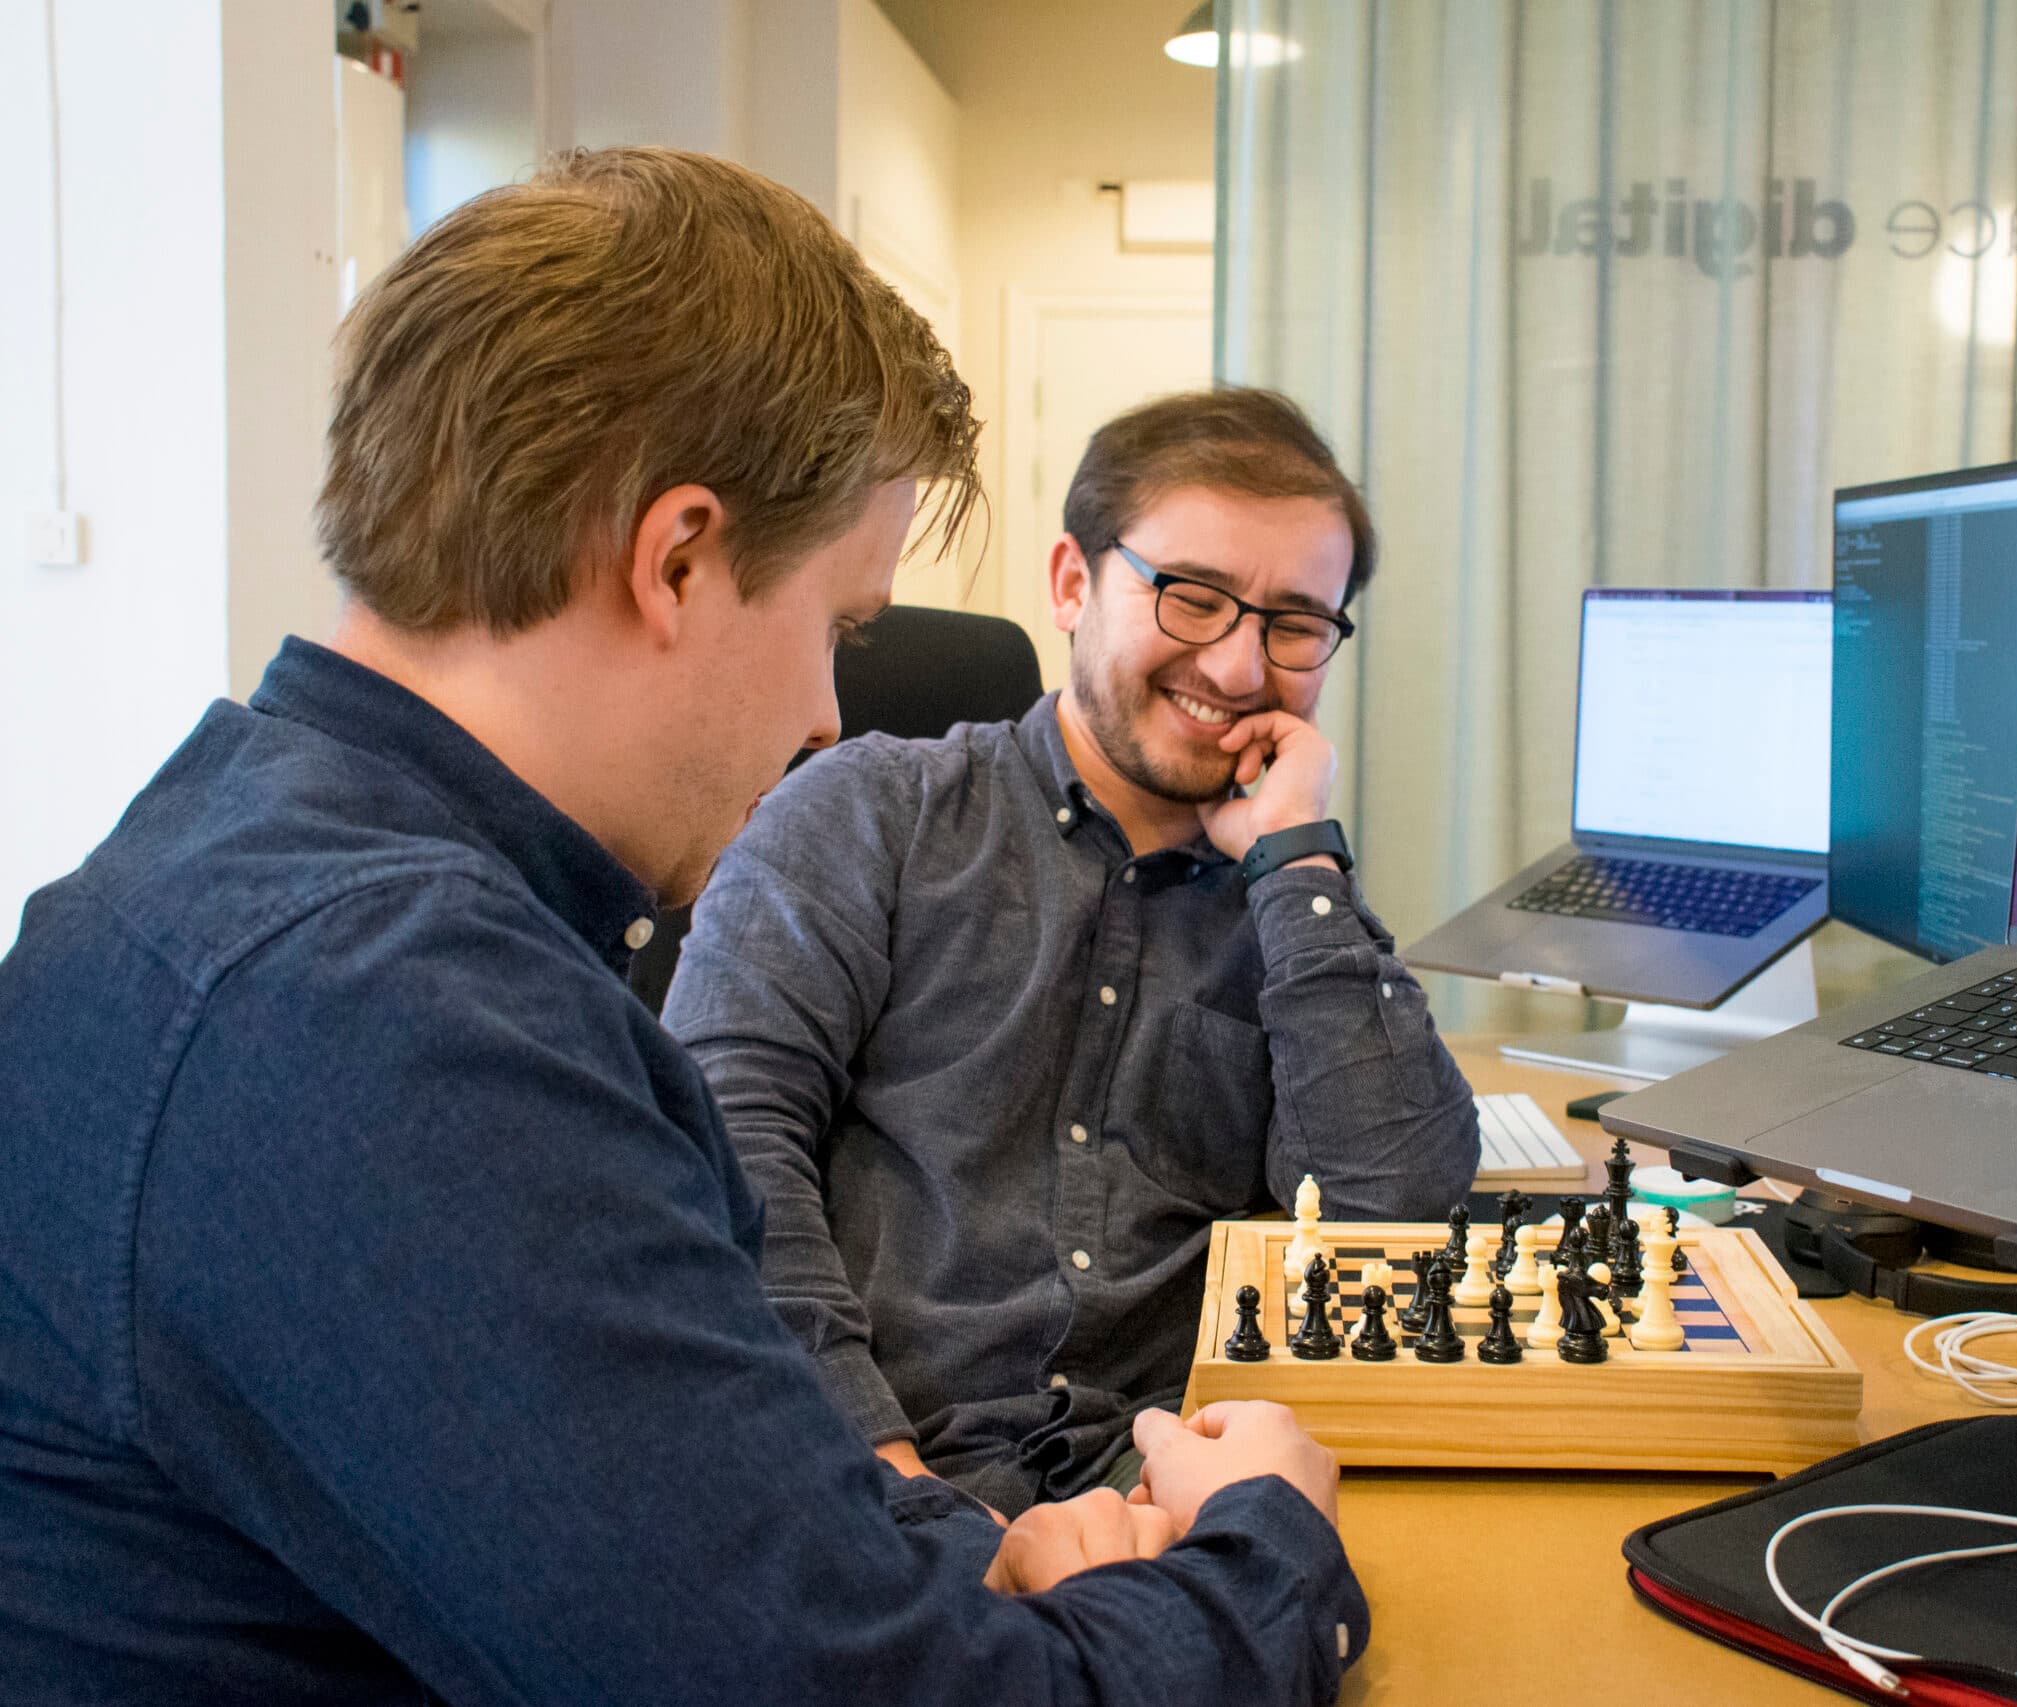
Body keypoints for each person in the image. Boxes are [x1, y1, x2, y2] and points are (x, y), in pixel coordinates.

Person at [0, 147, 1364, 1706]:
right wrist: (1271, 1549)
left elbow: (694, 1499)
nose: (823, 712)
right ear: (679, 559)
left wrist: (948, 1546)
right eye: (836, 627)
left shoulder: (264, 868)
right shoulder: (378, 1021)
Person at [664, 387, 1481, 1515]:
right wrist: (891, 1491)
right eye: (1194, 598)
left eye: (1294, 623)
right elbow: (718, 1148)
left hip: (1153, 1492)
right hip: (852, 1477)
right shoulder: (868, 814)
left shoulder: (1293, 910)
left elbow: (1384, 1226)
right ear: (1069, 583)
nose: (1241, 669)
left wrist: (1299, 871)